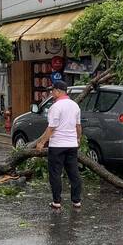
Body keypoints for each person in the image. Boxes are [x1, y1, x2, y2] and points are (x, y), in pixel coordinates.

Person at [37, 81, 83, 210]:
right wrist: (78, 138)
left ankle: (56, 202)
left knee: (55, 173)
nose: (51, 93)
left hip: (57, 145)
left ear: (57, 91)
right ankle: (76, 201)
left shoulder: (55, 107)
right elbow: (78, 126)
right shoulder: (75, 106)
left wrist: (41, 143)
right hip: (71, 145)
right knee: (74, 173)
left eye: (52, 91)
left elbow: (51, 128)